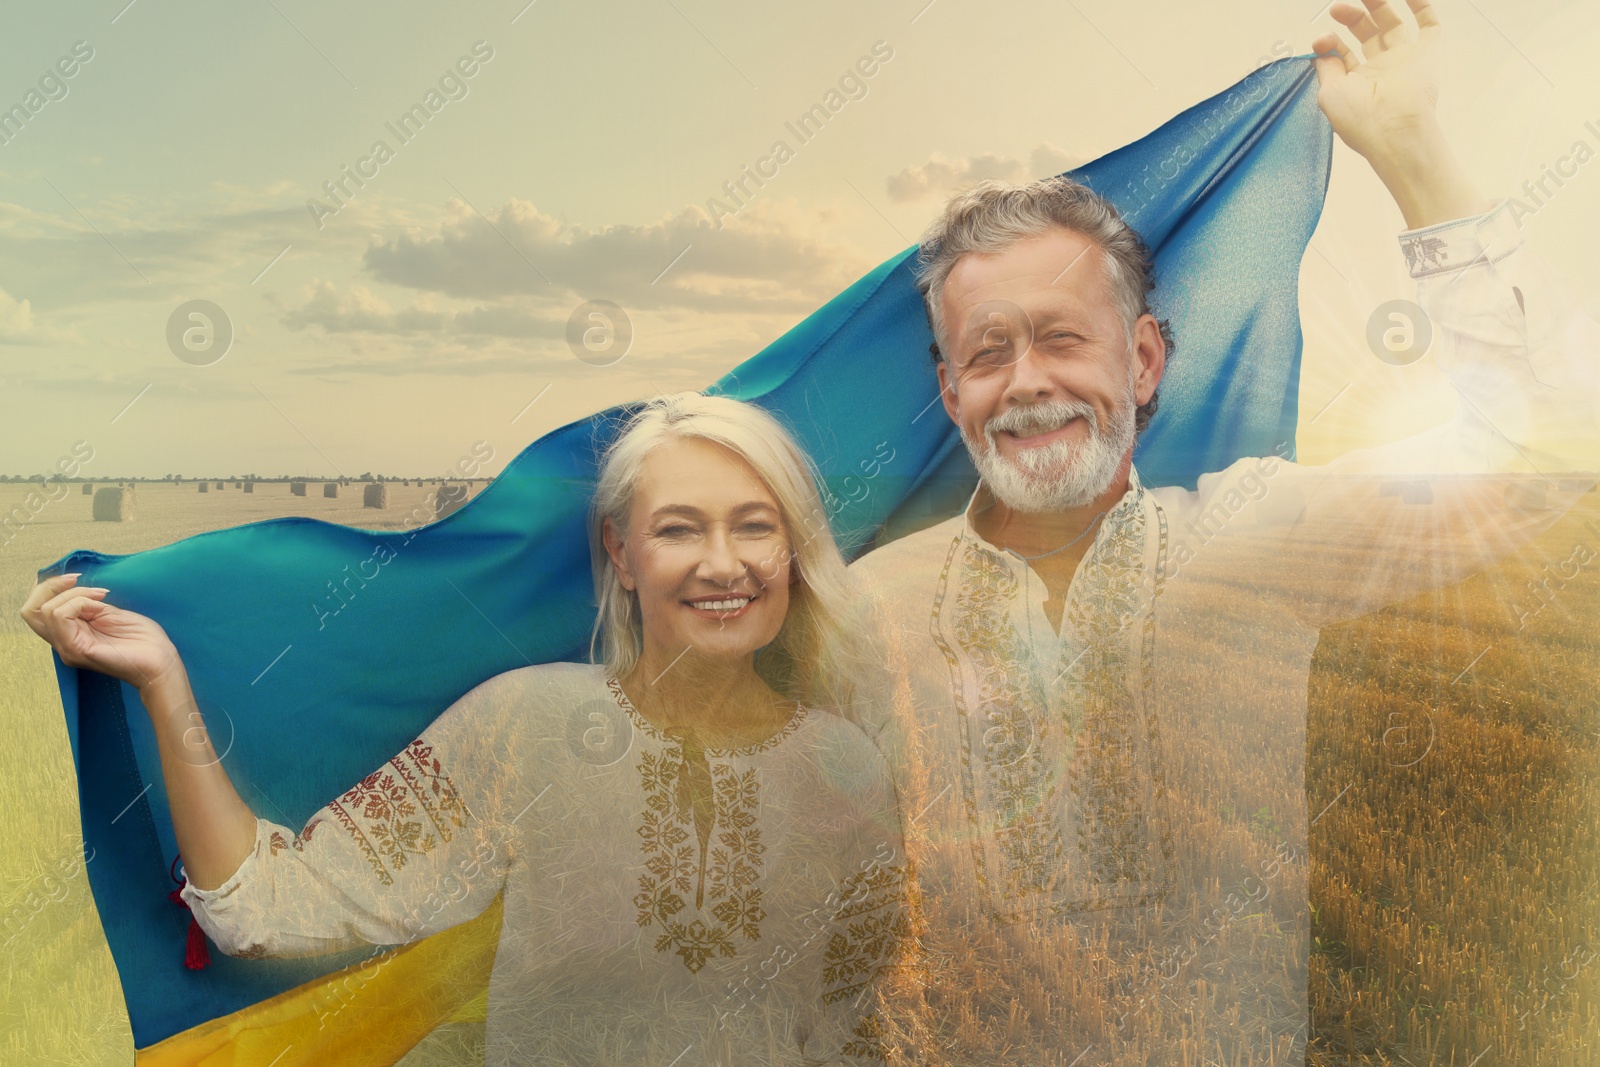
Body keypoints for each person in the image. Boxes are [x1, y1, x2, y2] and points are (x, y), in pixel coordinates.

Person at [846, 0, 1597, 1062]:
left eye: (1064, 337)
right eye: (986, 350)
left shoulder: (1252, 535)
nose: (1028, 382)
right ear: (949, 387)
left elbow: (1527, 455)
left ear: (1143, 361)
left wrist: (1416, 153)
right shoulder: (862, 603)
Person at [20, 392, 912, 1067]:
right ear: (622, 554)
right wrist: (165, 681)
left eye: (755, 527)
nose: (724, 563)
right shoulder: (525, 721)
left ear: (792, 547)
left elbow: (852, 1020)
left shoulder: (851, 768)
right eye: (679, 529)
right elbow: (266, 910)